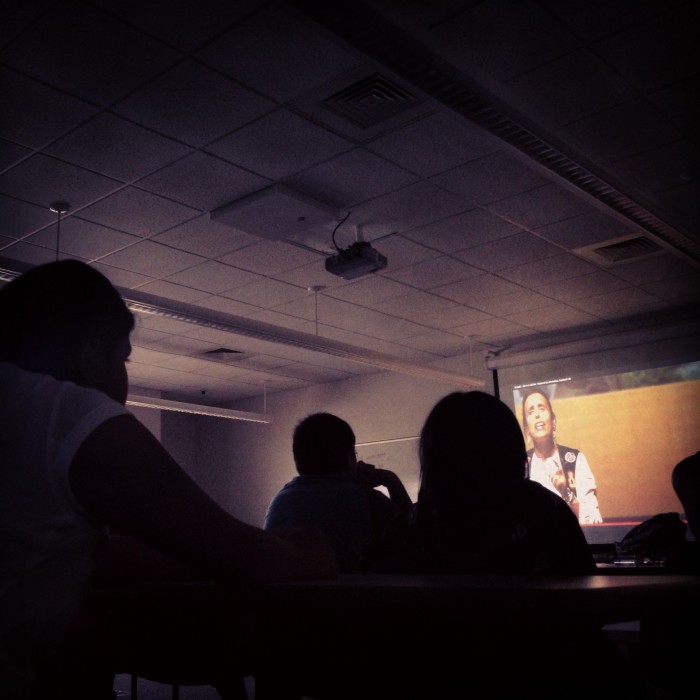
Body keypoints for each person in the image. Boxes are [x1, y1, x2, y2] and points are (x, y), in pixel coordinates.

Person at [0, 260, 337, 700]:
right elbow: (245, 555)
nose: (124, 379)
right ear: (90, 359)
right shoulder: (69, 416)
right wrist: (309, 552)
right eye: (122, 359)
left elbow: (99, 552)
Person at [361, 391, 638, 700]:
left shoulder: (409, 529)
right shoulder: (542, 509)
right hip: (549, 679)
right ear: (511, 449)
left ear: (431, 456)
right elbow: (588, 609)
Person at [264, 412, 412, 572]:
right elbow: (416, 542)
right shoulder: (369, 500)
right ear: (349, 459)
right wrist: (391, 479)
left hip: (281, 597)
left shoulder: (278, 501)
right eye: (354, 455)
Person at [521, 388, 603, 524]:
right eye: (531, 411)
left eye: (541, 408)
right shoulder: (522, 465)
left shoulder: (575, 460)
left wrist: (566, 493)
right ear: (526, 428)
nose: (537, 415)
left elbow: (594, 519)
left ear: (553, 420)